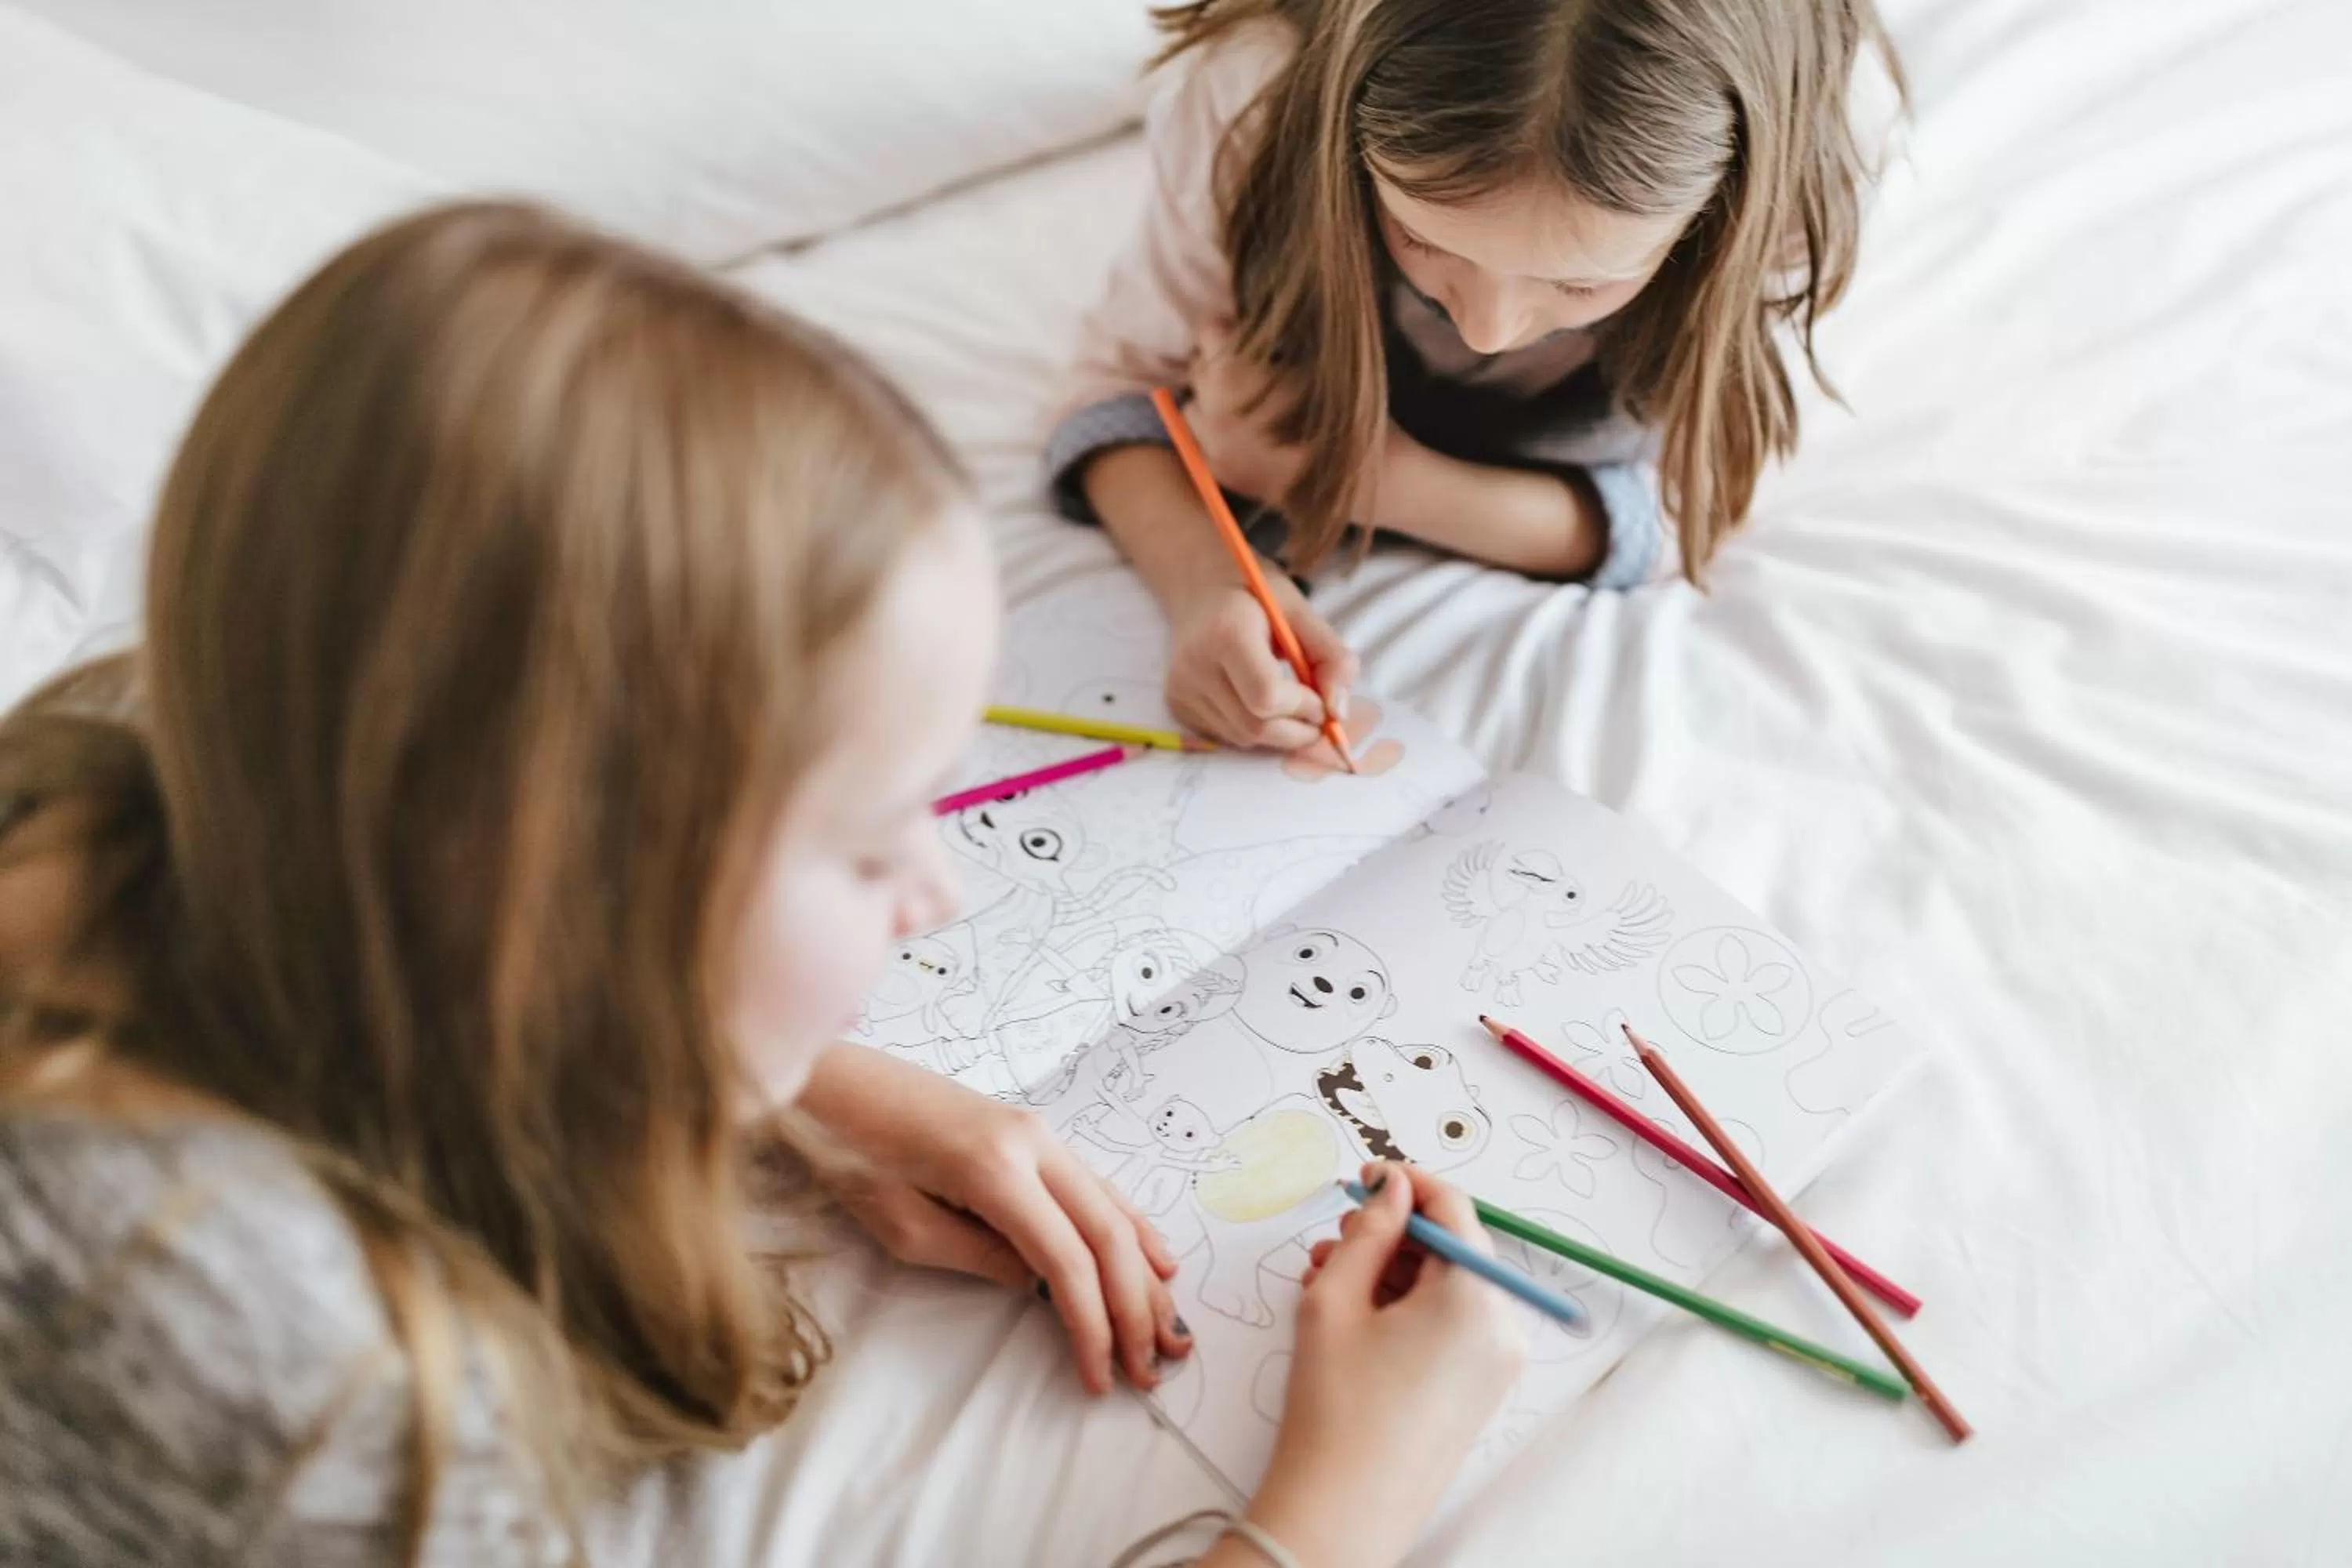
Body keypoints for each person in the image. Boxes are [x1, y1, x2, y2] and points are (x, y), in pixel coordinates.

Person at [0, 202, 1523, 1567]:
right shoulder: (307, 1386)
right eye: (868, 842)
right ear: (566, 890)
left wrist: (799, 1089)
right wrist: (1332, 1510)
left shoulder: (146, 749)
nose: (931, 890)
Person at [1047, 0, 1903, 753]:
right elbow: (1117, 388)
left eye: (1580, 283)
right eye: (1422, 237)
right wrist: (1206, 584)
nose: (1488, 327)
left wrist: (1366, 480)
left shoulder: (1815, 158)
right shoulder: (1252, 93)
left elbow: (1699, 501)